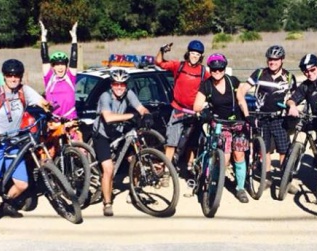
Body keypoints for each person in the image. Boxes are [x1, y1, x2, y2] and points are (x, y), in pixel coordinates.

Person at [0, 59, 50, 239]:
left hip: (13, 142)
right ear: (4, 76)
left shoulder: (24, 91)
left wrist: (50, 108)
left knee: (22, 184)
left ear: (21, 76)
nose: (13, 78)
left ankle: (6, 204)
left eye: (17, 75)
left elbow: (42, 101)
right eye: (10, 75)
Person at [92, 69, 153, 217]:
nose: (119, 87)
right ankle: (107, 203)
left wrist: (146, 114)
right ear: (111, 84)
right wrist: (132, 115)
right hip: (102, 135)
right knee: (108, 169)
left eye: (122, 84)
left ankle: (135, 191)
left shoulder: (129, 94)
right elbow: (108, 118)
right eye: (116, 84)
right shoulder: (105, 97)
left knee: (135, 160)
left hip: (118, 132)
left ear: (126, 85)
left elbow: (140, 107)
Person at [193, 53, 250, 203]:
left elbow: (241, 99)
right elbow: (196, 105)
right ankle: (214, 183)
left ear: (225, 68)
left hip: (236, 121)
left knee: (239, 155)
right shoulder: (206, 85)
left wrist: (247, 115)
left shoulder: (233, 81)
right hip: (219, 122)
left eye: (220, 69)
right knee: (224, 158)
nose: (217, 72)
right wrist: (204, 109)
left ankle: (240, 188)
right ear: (210, 69)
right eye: (214, 69)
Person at [237, 45, 294, 181]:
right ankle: (267, 176)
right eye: (270, 59)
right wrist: (246, 114)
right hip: (261, 117)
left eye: (276, 59)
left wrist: (292, 107)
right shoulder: (259, 73)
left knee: (283, 149)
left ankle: (285, 179)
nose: (272, 62)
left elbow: (292, 98)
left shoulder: (289, 77)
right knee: (265, 149)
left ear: (282, 60)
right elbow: (241, 91)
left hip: (279, 118)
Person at [156, 40, 210, 169]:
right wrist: (162, 50)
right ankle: (167, 170)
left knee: (192, 142)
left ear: (201, 57)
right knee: (171, 142)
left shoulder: (203, 72)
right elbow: (159, 62)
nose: (194, 56)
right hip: (178, 110)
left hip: (194, 112)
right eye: (192, 53)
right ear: (188, 53)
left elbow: (212, 85)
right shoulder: (178, 66)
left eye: (197, 54)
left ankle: (190, 167)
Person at [39, 20, 83, 155]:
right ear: (53, 67)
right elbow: (45, 58)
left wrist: (74, 38)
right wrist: (43, 38)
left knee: (79, 150)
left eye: (63, 64)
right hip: (54, 120)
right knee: (50, 153)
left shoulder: (70, 76)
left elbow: (74, 59)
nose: (60, 67)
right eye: (57, 65)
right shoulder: (49, 78)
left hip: (70, 119)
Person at [287, 54, 317, 171]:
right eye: (305, 71)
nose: (309, 73)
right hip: (316, 119)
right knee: (298, 128)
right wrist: (292, 106)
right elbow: (291, 99)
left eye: (312, 69)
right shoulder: (305, 86)